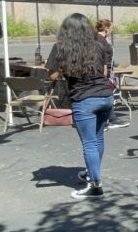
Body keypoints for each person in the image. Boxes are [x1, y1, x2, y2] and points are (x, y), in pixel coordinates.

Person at [47, 14, 114, 200]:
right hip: (106, 96)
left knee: (89, 143)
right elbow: (104, 72)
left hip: (84, 99)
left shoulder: (60, 47)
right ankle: (92, 173)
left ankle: (95, 185)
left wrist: (64, 70)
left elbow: (52, 76)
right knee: (98, 138)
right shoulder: (99, 44)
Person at [94, 19, 128, 129]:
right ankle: (110, 119)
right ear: (106, 28)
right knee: (104, 95)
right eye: (111, 29)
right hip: (102, 72)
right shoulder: (100, 41)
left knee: (106, 95)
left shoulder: (98, 39)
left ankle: (110, 118)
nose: (112, 31)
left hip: (104, 71)